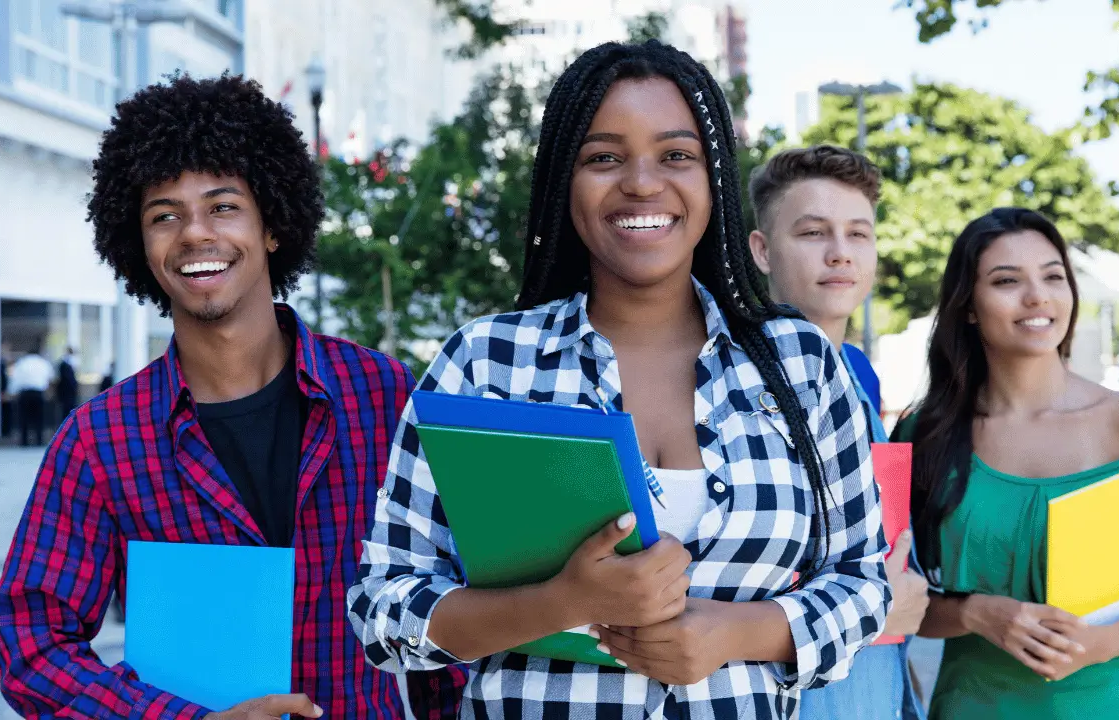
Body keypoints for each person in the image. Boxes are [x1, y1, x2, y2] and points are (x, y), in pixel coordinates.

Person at [348, 40, 890, 719]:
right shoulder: (485, 364)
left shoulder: (802, 365)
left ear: (713, 179)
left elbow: (864, 585)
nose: (640, 182)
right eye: (604, 157)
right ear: (561, 182)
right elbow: (384, 603)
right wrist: (562, 602)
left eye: (675, 156)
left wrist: (733, 634)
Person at [0, 74, 465, 720]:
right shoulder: (101, 440)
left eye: (222, 206)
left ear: (272, 225)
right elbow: (32, 644)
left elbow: (448, 600)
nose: (194, 234)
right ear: (140, 246)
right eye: (165, 216)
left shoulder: (381, 396)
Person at [900, 208, 1119, 719]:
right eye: (1007, 281)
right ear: (968, 305)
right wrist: (974, 613)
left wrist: (1103, 642)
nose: (1037, 297)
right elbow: (893, 602)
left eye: (1053, 276)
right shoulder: (927, 436)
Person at [747, 144, 928, 720]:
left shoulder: (858, 372)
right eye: (813, 233)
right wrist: (875, 611)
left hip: (876, 693)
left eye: (859, 234)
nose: (840, 254)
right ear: (762, 250)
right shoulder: (732, 383)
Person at [8, 344, 54, 447]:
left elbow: (15, 379)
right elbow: (49, 378)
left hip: (25, 393)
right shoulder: (43, 363)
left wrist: (12, 393)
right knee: (39, 418)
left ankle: (24, 441)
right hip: (38, 393)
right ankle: (39, 440)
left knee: (24, 418)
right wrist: (48, 392)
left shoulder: (22, 363)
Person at [56, 346, 79, 419]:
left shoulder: (64, 362)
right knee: (68, 409)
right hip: (68, 391)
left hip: (66, 391)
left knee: (66, 410)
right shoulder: (66, 363)